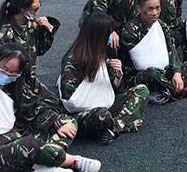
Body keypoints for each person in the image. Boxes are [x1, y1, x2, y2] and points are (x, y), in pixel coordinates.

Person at [0, 43, 102, 172]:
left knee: (67, 123)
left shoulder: (15, 87)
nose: (6, 75)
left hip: (16, 138)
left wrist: (57, 121)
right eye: (3, 69)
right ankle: (73, 161)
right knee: (30, 144)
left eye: (12, 73)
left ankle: (42, 163)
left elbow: (34, 109)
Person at [58, 11, 149, 145]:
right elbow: (70, 100)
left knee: (141, 90)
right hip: (83, 113)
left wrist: (118, 75)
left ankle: (113, 128)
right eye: (108, 34)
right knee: (102, 115)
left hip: (105, 102)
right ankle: (119, 123)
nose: (111, 38)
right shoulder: (74, 59)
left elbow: (115, 89)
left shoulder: (103, 52)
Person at [120, 0, 187, 105]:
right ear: (139, 9)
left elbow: (171, 50)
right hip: (140, 75)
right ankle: (180, 91)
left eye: (158, 8)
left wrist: (177, 72)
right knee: (152, 73)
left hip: (164, 71)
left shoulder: (161, 25)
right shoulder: (130, 31)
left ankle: (165, 91)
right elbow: (141, 64)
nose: (155, 13)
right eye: (150, 9)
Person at [0, 0, 59, 78]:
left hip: (27, 79)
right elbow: (2, 69)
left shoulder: (31, 25)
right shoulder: (4, 33)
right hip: (10, 79)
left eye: (40, 3)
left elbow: (39, 50)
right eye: (35, 8)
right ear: (23, 9)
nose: (38, 11)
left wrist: (48, 31)